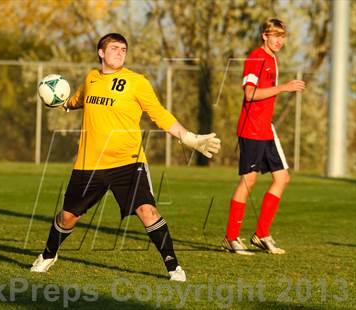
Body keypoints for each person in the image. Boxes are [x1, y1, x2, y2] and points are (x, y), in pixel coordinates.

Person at [31, 33, 221, 281]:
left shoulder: (136, 82)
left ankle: (173, 266)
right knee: (68, 216)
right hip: (90, 163)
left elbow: (159, 114)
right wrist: (63, 104)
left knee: (147, 211)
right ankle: (48, 254)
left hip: (128, 162)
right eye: (114, 48)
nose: (120, 52)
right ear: (101, 52)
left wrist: (189, 138)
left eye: (123, 49)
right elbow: (77, 100)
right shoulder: (91, 79)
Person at [221, 19, 305, 255]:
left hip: (265, 128)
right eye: (274, 35)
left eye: (282, 36)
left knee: (282, 178)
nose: (279, 40)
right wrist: (283, 88)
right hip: (251, 128)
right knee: (249, 180)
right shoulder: (256, 57)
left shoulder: (273, 59)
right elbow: (249, 94)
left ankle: (261, 234)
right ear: (264, 36)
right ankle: (230, 238)